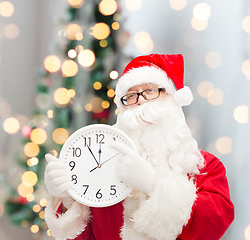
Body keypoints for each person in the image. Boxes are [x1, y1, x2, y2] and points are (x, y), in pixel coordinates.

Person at [44, 54, 234, 240]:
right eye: (131, 95)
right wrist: (68, 200)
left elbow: (213, 224)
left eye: (150, 91)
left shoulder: (205, 167)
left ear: (171, 97)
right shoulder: (103, 169)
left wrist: (152, 185)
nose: (140, 100)